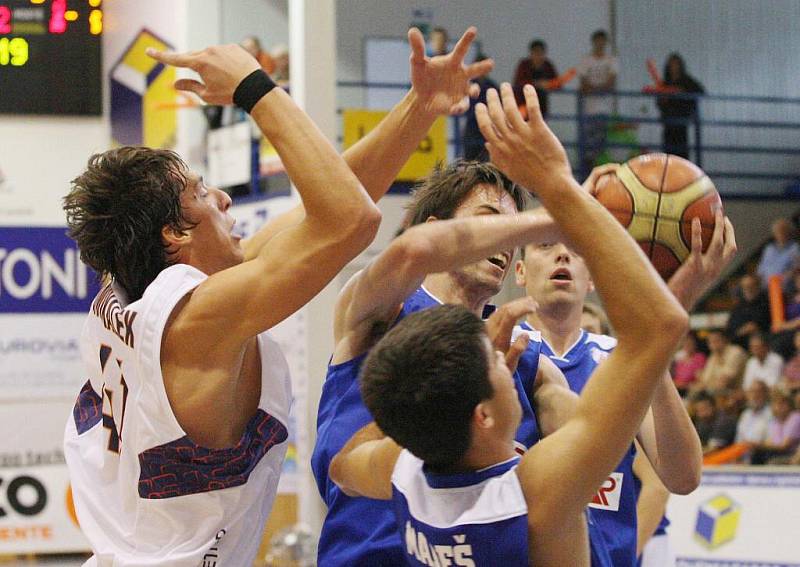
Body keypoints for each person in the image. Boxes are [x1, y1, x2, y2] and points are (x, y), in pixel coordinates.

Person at [328, 82, 689, 566]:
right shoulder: (384, 310)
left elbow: (637, 459)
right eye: (489, 217)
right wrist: (566, 209)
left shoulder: (523, 354)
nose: (505, 234)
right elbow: (410, 252)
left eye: (513, 224)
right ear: (438, 224)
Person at [62, 43, 382, 566]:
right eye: (202, 192)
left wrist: (424, 106)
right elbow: (351, 221)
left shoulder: (139, 294)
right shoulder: (197, 320)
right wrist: (254, 89)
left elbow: (334, 203)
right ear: (174, 233)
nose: (225, 199)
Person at [513, 161, 734, 565]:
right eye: (546, 245)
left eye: (576, 249)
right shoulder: (499, 349)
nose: (562, 253)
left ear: (594, 275)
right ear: (521, 272)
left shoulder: (623, 358)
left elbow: (682, 477)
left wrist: (654, 346)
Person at [577, 30, 618, 176]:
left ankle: (597, 174)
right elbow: (582, 84)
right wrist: (599, 89)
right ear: (594, 42)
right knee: (588, 146)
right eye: (598, 41)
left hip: (603, 110)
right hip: (588, 110)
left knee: (600, 145)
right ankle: (588, 175)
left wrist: (594, 89)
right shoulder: (586, 60)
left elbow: (611, 83)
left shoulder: (611, 60)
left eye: (603, 41)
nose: (600, 44)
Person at [656, 53, 704, 159]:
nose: (673, 67)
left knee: (681, 154)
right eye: (671, 64)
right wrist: (663, 99)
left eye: (676, 64)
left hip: (681, 122)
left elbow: (700, 91)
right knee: (668, 155)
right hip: (668, 123)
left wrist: (682, 93)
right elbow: (659, 102)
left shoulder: (687, 81)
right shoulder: (665, 83)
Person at [462, 53, 499, 161]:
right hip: (471, 127)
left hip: (487, 129)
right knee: (469, 163)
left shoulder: (492, 87)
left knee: (486, 164)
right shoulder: (467, 85)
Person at [751, 389, 800, 464]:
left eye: (782, 404)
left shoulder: (795, 418)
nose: (779, 407)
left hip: (791, 454)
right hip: (776, 453)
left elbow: (784, 446)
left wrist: (759, 445)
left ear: (789, 405)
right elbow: (770, 442)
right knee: (756, 453)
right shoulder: (774, 422)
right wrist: (754, 444)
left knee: (769, 460)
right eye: (776, 404)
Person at [512, 39, 558, 117]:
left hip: (541, 104)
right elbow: (518, 82)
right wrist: (535, 84)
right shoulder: (524, 65)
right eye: (536, 52)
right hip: (523, 102)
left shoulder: (547, 65)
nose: (538, 56)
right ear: (531, 53)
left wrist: (548, 84)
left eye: (540, 53)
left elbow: (557, 82)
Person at [725, 274, 771, 349]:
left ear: (757, 286)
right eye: (745, 287)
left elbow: (757, 324)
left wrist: (748, 329)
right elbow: (730, 331)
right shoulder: (738, 307)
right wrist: (740, 332)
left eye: (751, 286)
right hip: (739, 344)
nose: (748, 289)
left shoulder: (766, 301)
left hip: (762, 341)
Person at [735, 380, 773, 461]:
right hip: (741, 458)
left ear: (765, 394)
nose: (755, 395)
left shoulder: (771, 414)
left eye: (758, 392)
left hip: (762, 458)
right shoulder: (745, 414)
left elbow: (772, 442)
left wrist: (754, 445)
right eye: (752, 392)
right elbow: (738, 440)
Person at [756, 218, 800, 288]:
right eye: (777, 231)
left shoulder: (794, 248)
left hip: (784, 287)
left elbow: (797, 268)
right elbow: (760, 270)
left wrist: (783, 278)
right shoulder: (769, 249)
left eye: (783, 231)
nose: (780, 233)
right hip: (766, 287)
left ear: (789, 232)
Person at [672, 332, 707, 396]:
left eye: (690, 343)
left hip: (690, 391)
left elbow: (700, 378)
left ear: (695, 344)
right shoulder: (680, 359)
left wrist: (685, 385)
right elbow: (675, 378)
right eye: (685, 342)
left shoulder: (700, 357)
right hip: (677, 389)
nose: (687, 345)